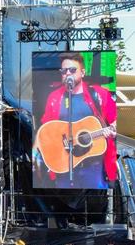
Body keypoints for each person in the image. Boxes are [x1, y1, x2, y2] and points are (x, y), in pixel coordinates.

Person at [37, 52, 117, 188]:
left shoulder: (100, 94)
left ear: (83, 72)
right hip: (64, 167)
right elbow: (45, 130)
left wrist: (114, 131)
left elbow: (115, 121)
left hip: (94, 169)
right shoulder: (54, 97)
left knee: (95, 207)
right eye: (64, 71)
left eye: (72, 70)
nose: (68, 73)